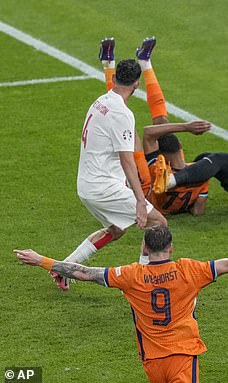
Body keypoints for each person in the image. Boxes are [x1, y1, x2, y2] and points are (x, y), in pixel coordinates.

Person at [14, 226, 228, 383]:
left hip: (151, 362)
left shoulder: (131, 275)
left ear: (145, 249)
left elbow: (83, 272)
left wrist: (42, 260)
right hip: (182, 358)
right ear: (170, 247)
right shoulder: (190, 270)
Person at [51, 47, 168, 291]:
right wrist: (139, 199)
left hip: (87, 184)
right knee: (158, 223)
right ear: (136, 85)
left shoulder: (100, 101)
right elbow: (127, 160)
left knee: (116, 230)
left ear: (114, 79)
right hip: (103, 187)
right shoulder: (122, 114)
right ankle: (145, 279)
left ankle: (64, 267)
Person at [100, 37, 212, 217]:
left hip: (146, 190)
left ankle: (108, 64)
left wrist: (185, 127)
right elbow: (198, 212)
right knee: (161, 123)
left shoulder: (161, 169)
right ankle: (144, 62)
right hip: (164, 186)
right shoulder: (200, 176)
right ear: (180, 149)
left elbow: (148, 134)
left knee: (128, 126)